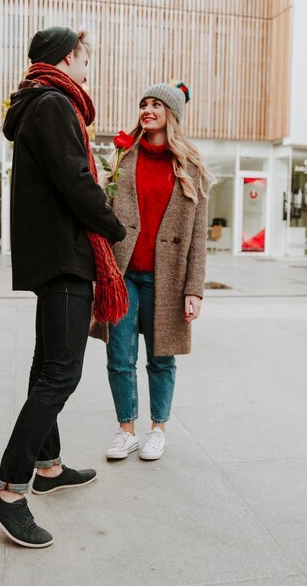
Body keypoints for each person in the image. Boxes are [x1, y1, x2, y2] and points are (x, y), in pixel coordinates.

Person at [0, 26, 127, 548]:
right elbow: (75, 180)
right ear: (68, 57)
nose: (88, 65)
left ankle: (47, 465)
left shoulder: (38, 104)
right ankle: (9, 491)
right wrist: (112, 225)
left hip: (53, 257)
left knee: (47, 369)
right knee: (60, 376)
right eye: (85, 56)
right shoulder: (54, 104)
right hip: (66, 258)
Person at [99, 82, 214, 461]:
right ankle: (126, 430)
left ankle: (158, 429)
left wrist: (193, 289)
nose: (147, 110)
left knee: (161, 356)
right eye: (143, 103)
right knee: (119, 354)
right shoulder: (123, 157)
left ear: (172, 114)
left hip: (167, 278)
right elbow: (104, 211)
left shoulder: (191, 168)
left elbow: (198, 237)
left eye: (155, 105)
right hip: (123, 272)